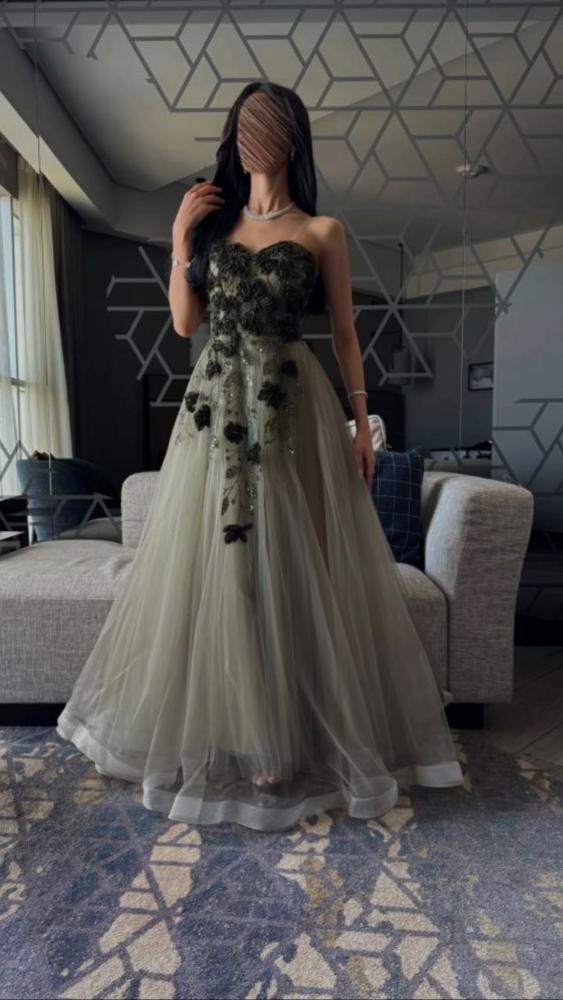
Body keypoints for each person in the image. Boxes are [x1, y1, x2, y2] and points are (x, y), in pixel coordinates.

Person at [56, 81, 463, 832]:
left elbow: (346, 335)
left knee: (287, 568)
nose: (256, 137)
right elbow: (186, 326)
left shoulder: (323, 231)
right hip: (215, 409)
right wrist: (180, 240)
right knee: (225, 569)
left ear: (291, 137)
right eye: (247, 124)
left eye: (269, 125)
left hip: (291, 405)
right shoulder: (214, 226)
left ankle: (283, 735)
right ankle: (241, 731)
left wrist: (361, 423)